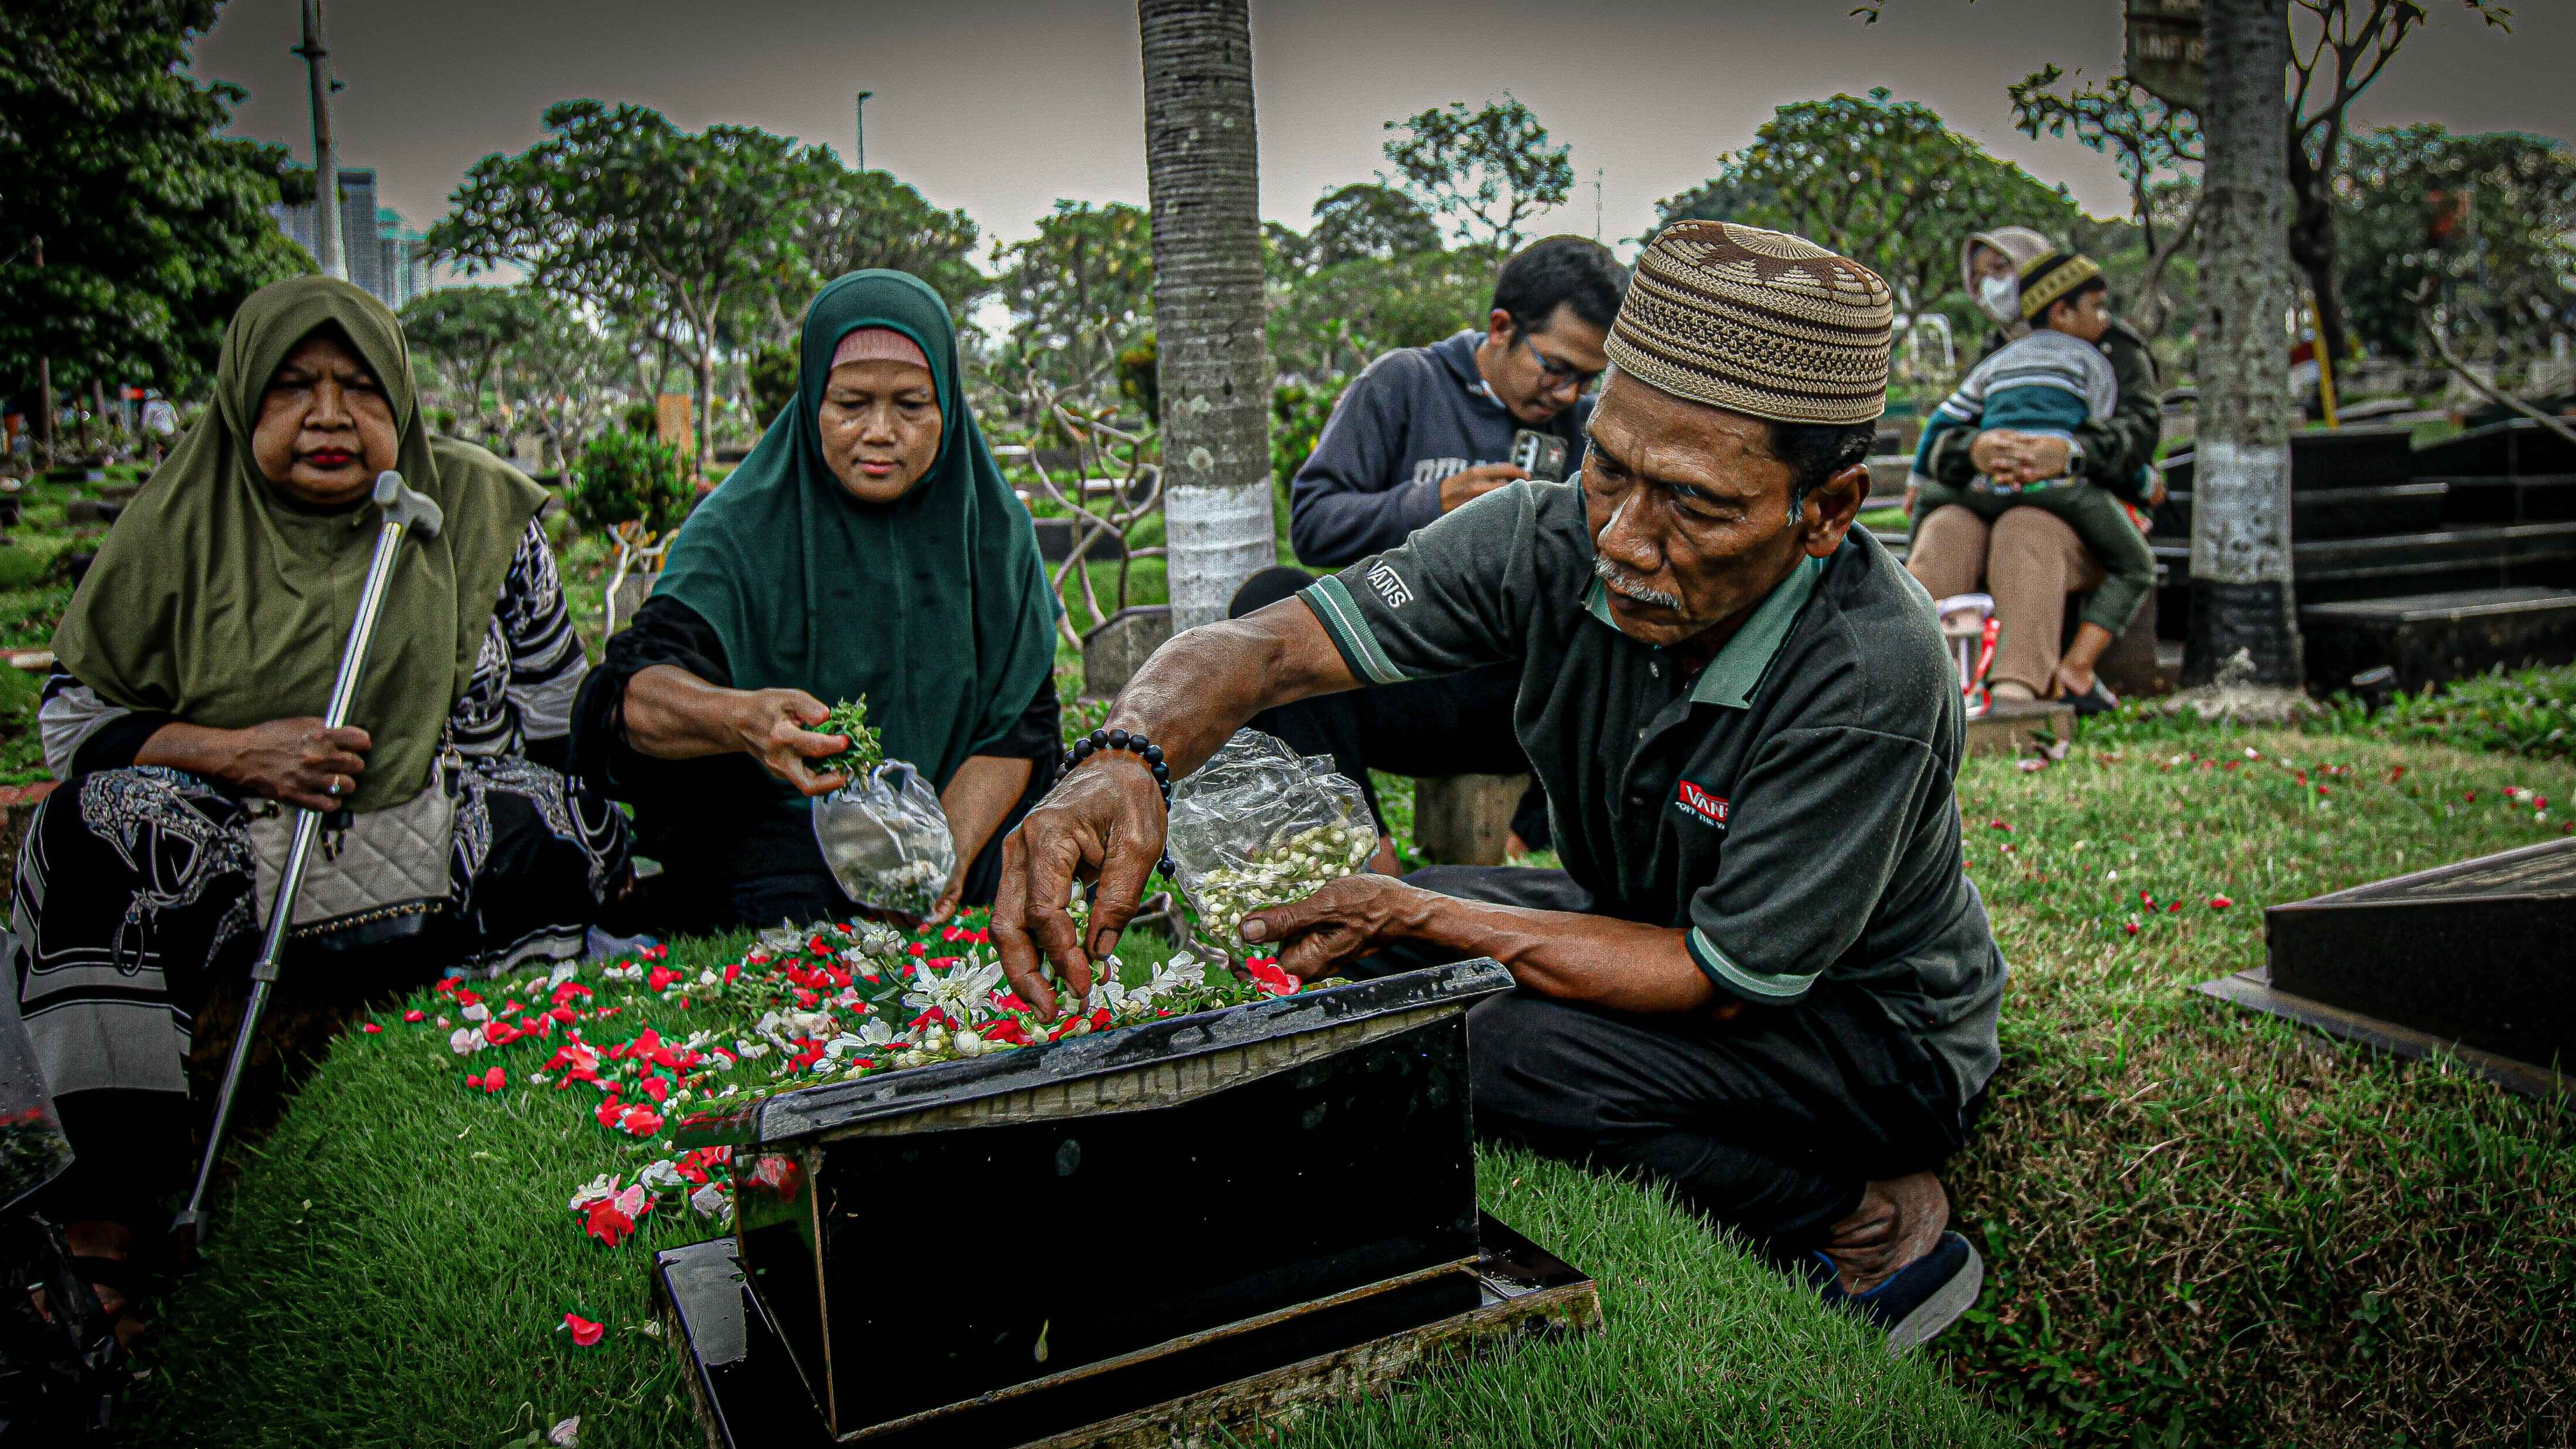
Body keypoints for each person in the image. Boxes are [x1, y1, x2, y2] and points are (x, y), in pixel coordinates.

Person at [995, 222, 2005, 1352]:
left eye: (1694, 504)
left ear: (1821, 510)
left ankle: (1863, 1221)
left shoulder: (1867, 668)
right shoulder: (1546, 536)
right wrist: (1117, 758)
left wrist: (1430, 910)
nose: (1621, 537)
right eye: (1606, 467)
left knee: (1493, 1045)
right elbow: (1263, 646)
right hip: (1645, 924)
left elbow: (1719, 980)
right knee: (1364, 953)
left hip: (1861, 1023)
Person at [14, 274, 631, 1332]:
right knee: (94, 829)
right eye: (294, 388)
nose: (332, 417)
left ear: (401, 400)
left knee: (565, 818)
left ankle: (528, 1085)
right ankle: (111, 1219)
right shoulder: (183, 519)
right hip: (236, 864)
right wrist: (237, 753)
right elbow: (74, 723)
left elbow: (553, 709)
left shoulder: (477, 507)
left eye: (361, 389)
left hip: (444, 855)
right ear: (243, 402)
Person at [570, 271, 1060, 933]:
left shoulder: (995, 532)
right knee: (780, 899)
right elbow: (627, 700)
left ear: (947, 401)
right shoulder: (737, 530)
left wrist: (931, 860)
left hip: (958, 831)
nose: (881, 431)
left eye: (912, 404)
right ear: (811, 404)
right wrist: (741, 717)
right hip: (782, 842)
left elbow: (1017, 727)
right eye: (851, 403)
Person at [1264, 236, 1627, 860]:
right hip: (1402, 677)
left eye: (1587, 379)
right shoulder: (1404, 383)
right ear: (1500, 327)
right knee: (1266, 597)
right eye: (1556, 369)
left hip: (1523, 703)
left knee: (1628, 614)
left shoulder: (1585, 426)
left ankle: (1539, 836)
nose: (1568, 395)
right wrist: (1429, 504)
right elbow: (1313, 522)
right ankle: (1359, 846)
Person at [1910, 230, 2165, 706]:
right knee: (1946, 530)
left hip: (2074, 514)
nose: (1991, 286)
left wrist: (2068, 452)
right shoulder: (1996, 354)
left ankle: (2017, 690)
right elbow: (1942, 438)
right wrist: (1976, 451)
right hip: (1985, 494)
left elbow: (2137, 439)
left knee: (2024, 529)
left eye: (2002, 271)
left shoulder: (2111, 350)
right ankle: (1917, 686)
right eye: (1981, 275)